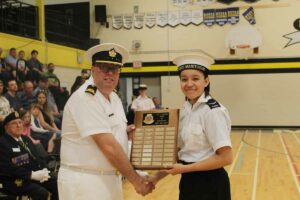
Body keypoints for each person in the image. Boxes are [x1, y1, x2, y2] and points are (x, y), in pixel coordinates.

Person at [58, 43, 154, 200]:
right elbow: (108, 145)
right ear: (93, 69)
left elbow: (113, 136)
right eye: (104, 67)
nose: (110, 73)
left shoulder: (113, 97)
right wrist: (136, 180)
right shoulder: (85, 98)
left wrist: (125, 134)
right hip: (85, 182)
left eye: (115, 69)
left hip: (109, 178)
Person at [151, 55, 233, 200]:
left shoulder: (213, 111)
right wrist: (155, 178)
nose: (189, 83)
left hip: (211, 184)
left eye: (195, 78)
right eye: (184, 79)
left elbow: (226, 158)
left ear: (206, 81)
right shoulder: (186, 110)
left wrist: (185, 168)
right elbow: (178, 152)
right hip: (188, 181)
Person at [0, 111, 58, 199]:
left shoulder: (25, 139)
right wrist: (31, 175)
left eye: (20, 122)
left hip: (34, 175)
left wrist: (45, 169)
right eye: (14, 123)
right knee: (41, 192)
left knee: (57, 182)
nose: (18, 125)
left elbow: (36, 158)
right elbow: (7, 168)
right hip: (15, 180)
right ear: (6, 127)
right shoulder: (3, 143)